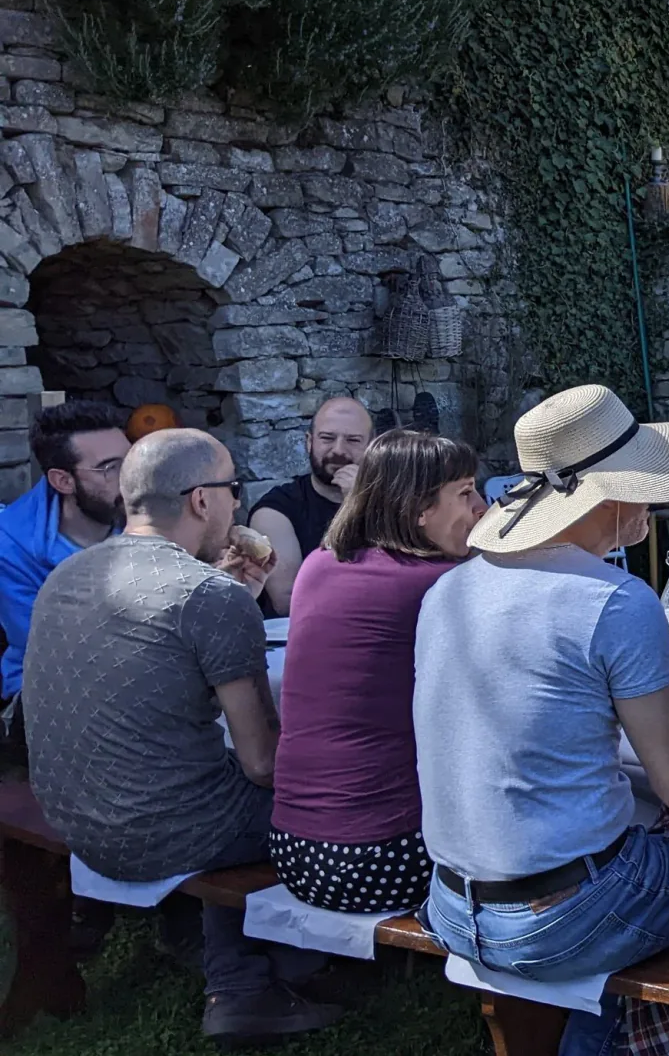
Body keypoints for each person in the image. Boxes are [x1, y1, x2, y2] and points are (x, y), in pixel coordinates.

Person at [413, 385, 669, 1055]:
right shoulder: (615, 598)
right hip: (558, 918)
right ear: (609, 493)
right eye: (647, 478)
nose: (657, 496)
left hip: (447, 903)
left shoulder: (448, 588)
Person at [24, 429, 340, 1041]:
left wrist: (240, 601)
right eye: (232, 489)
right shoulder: (207, 595)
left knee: (195, 772)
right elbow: (263, 765)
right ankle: (254, 978)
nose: (236, 504)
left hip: (71, 814)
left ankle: (220, 958)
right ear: (201, 500)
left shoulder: (69, 573)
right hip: (161, 831)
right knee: (320, 800)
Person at [268, 430, 484, 913]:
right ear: (418, 509)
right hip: (385, 857)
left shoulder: (320, 564)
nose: (481, 507)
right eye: (465, 492)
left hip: (292, 850)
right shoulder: (443, 585)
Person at [0, 401, 129, 762]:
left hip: (137, 676)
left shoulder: (139, 511)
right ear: (62, 480)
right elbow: (53, 652)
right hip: (50, 697)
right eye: (110, 468)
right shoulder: (11, 546)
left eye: (131, 460)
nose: (131, 478)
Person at [251, 396, 375, 615]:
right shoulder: (276, 510)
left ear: (372, 447)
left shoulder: (393, 501)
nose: (339, 450)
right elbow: (288, 602)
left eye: (353, 440)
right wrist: (355, 508)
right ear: (309, 442)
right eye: (327, 438)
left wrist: (362, 502)